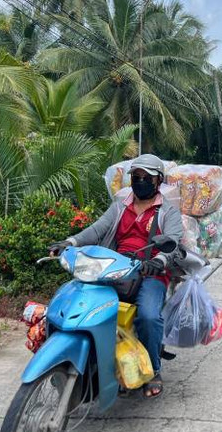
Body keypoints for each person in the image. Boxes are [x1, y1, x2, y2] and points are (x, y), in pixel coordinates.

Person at [47, 154, 183, 399]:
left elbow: (173, 243)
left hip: (150, 273)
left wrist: (158, 261)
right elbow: (98, 229)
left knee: (149, 317)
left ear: (158, 180)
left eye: (146, 178)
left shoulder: (168, 211)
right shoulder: (120, 206)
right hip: (115, 267)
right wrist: (70, 242)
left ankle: (152, 370)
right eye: (136, 177)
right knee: (81, 305)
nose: (140, 181)